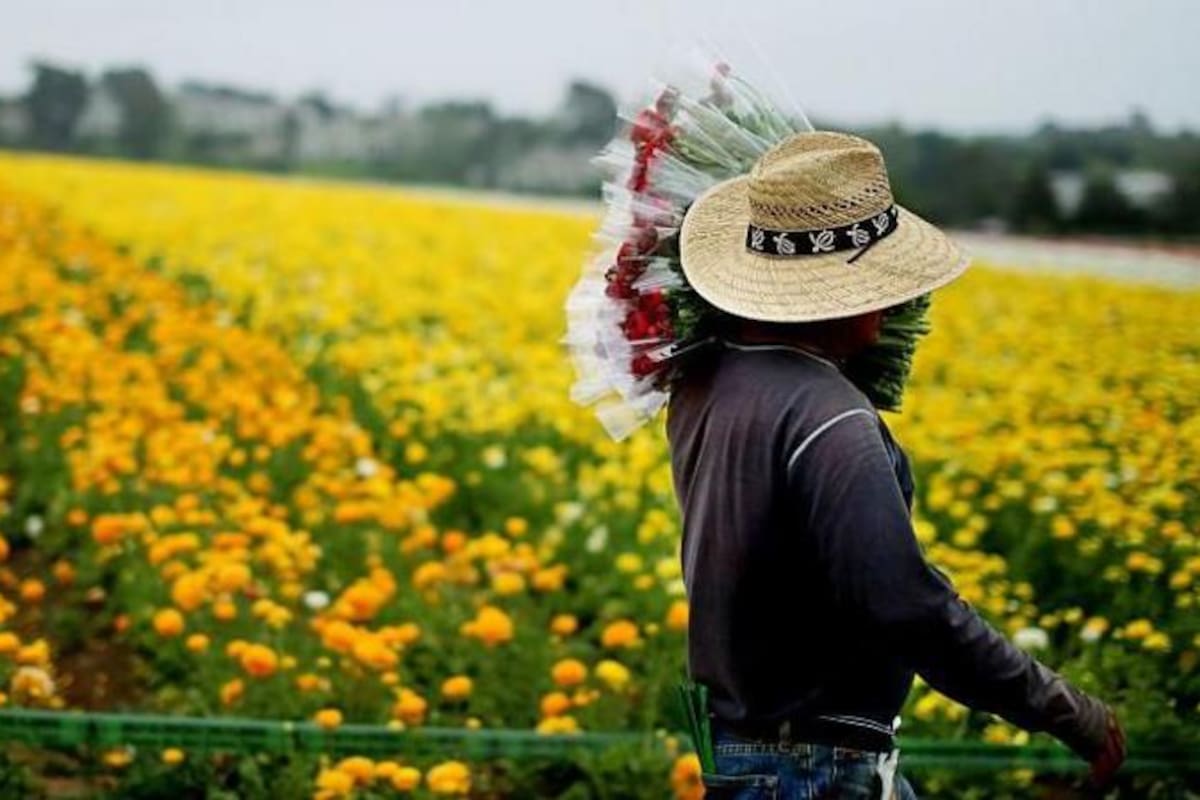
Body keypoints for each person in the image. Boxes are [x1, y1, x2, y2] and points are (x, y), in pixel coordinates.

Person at [665, 130, 1126, 798]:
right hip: (818, 771)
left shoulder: (706, 382)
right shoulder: (832, 420)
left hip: (748, 755)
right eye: (880, 279)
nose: (895, 301)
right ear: (832, 293)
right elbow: (909, 607)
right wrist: (1067, 710)